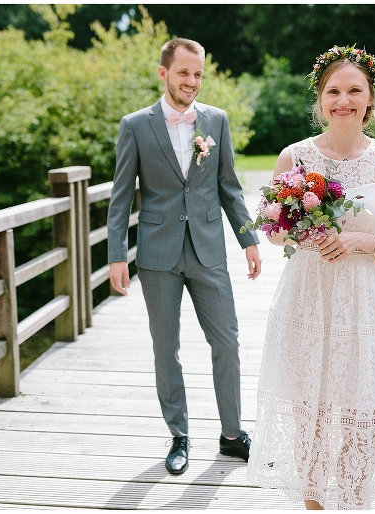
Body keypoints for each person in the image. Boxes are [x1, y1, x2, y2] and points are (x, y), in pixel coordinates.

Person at [246, 46, 375, 509]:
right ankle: (315, 505)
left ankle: (354, 503)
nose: (344, 100)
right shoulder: (294, 156)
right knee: (312, 418)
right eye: (333, 91)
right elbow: (275, 233)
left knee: (365, 412)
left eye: (354, 91)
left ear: (370, 100)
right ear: (320, 100)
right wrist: (304, 232)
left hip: (362, 300)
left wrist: (363, 243)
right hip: (307, 297)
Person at [106, 38, 262, 476]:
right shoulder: (135, 125)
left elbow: (229, 187)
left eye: (197, 74)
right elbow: (120, 198)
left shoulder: (216, 120)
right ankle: (179, 435)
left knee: (227, 342)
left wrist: (249, 239)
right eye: (183, 73)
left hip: (209, 249)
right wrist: (116, 254)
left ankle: (232, 435)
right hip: (157, 253)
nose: (191, 82)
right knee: (166, 349)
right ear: (163, 74)